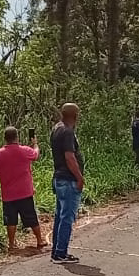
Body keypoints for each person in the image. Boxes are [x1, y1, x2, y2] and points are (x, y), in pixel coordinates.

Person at [0, 125, 45, 253]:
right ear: (17, 137)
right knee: (31, 217)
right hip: (25, 192)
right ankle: (39, 240)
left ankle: (11, 244)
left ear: (5, 138)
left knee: (11, 220)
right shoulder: (25, 150)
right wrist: (35, 144)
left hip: (8, 195)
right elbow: (36, 155)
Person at [49, 103, 84, 265]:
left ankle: (57, 251)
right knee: (67, 217)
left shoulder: (56, 128)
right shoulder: (68, 132)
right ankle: (61, 253)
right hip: (68, 179)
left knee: (60, 216)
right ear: (75, 116)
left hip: (59, 178)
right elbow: (70, 157)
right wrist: (79, 177)